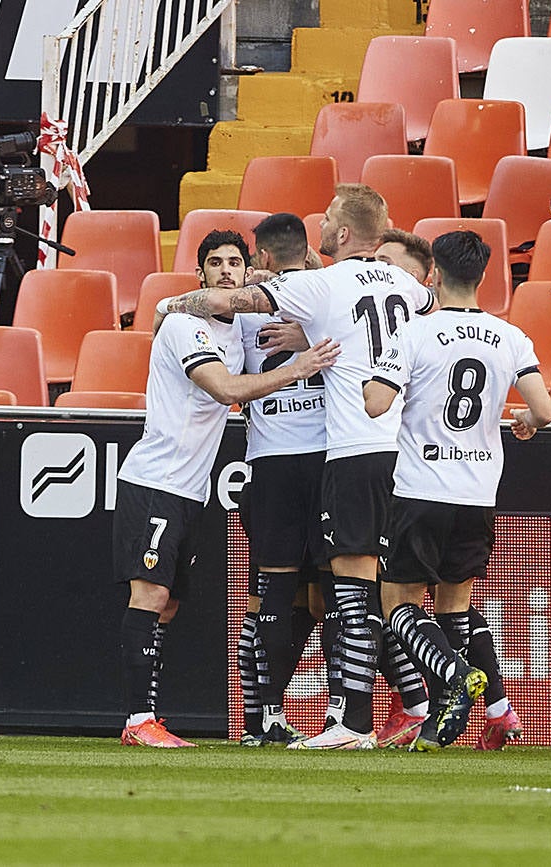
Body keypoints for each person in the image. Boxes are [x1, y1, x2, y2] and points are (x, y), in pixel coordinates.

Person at [164, 184, 436, 749]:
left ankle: (347, 717)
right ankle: (388, 706)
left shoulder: (310, 287)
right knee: (347, 591)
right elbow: (426, 305)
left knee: (317, 592)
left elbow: (224, 303)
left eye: (329, 221)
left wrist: (171, 304)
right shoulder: (406, 286)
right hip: (385, 452)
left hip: (332, 456)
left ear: (337, 235)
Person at [115, 229, 339, 748]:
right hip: (156, 480)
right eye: (214, 263)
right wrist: (302, 368)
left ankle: (151, 715)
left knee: (168, 605)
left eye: (234, 263)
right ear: (201, 275)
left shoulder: (237, 324)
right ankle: (137, 720)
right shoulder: (185, 327)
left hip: (189, 488)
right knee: (148, 596)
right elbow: (228, 389)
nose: (224, 270)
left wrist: (270, 278)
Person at [364, 230, 551, 750]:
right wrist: (524, 422)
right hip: (477, 493)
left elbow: (376, 403)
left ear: (434, 276)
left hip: (420, 488)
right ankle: (489, 709)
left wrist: (369, 376)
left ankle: (451, 679)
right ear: (484, 276)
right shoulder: (509, 336)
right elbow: (546, 410)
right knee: (454, 609)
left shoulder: (415, 333)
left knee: (396, 606)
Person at [235, 213, 338, 746]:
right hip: (328, 457)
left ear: (265, 258)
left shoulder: (242, 310)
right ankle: (345, 716)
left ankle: (265, 714)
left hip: (272, 459)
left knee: (274, 589)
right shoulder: (333, 296)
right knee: (336, 592)